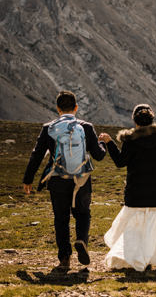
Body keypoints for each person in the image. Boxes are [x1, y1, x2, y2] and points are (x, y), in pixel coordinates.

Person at [23, 91, 107, 269]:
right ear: (76, 107)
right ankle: (81, 240)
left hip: (57, 179)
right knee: (83, 213)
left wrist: (28, 179)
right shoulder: (86, 127)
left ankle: (64, 258)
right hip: (81, 180)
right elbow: (99, 156)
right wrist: (103, 144)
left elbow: (36, 155)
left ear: (57, 108)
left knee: (61, 218)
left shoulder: (49, 128)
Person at [98, 104, 156, 271]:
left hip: (136, 192)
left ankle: (137, 258)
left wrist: (109, 143)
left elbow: (120, 162)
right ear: (152, 119)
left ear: (134, 120)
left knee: (135, 228)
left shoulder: (130, 140)